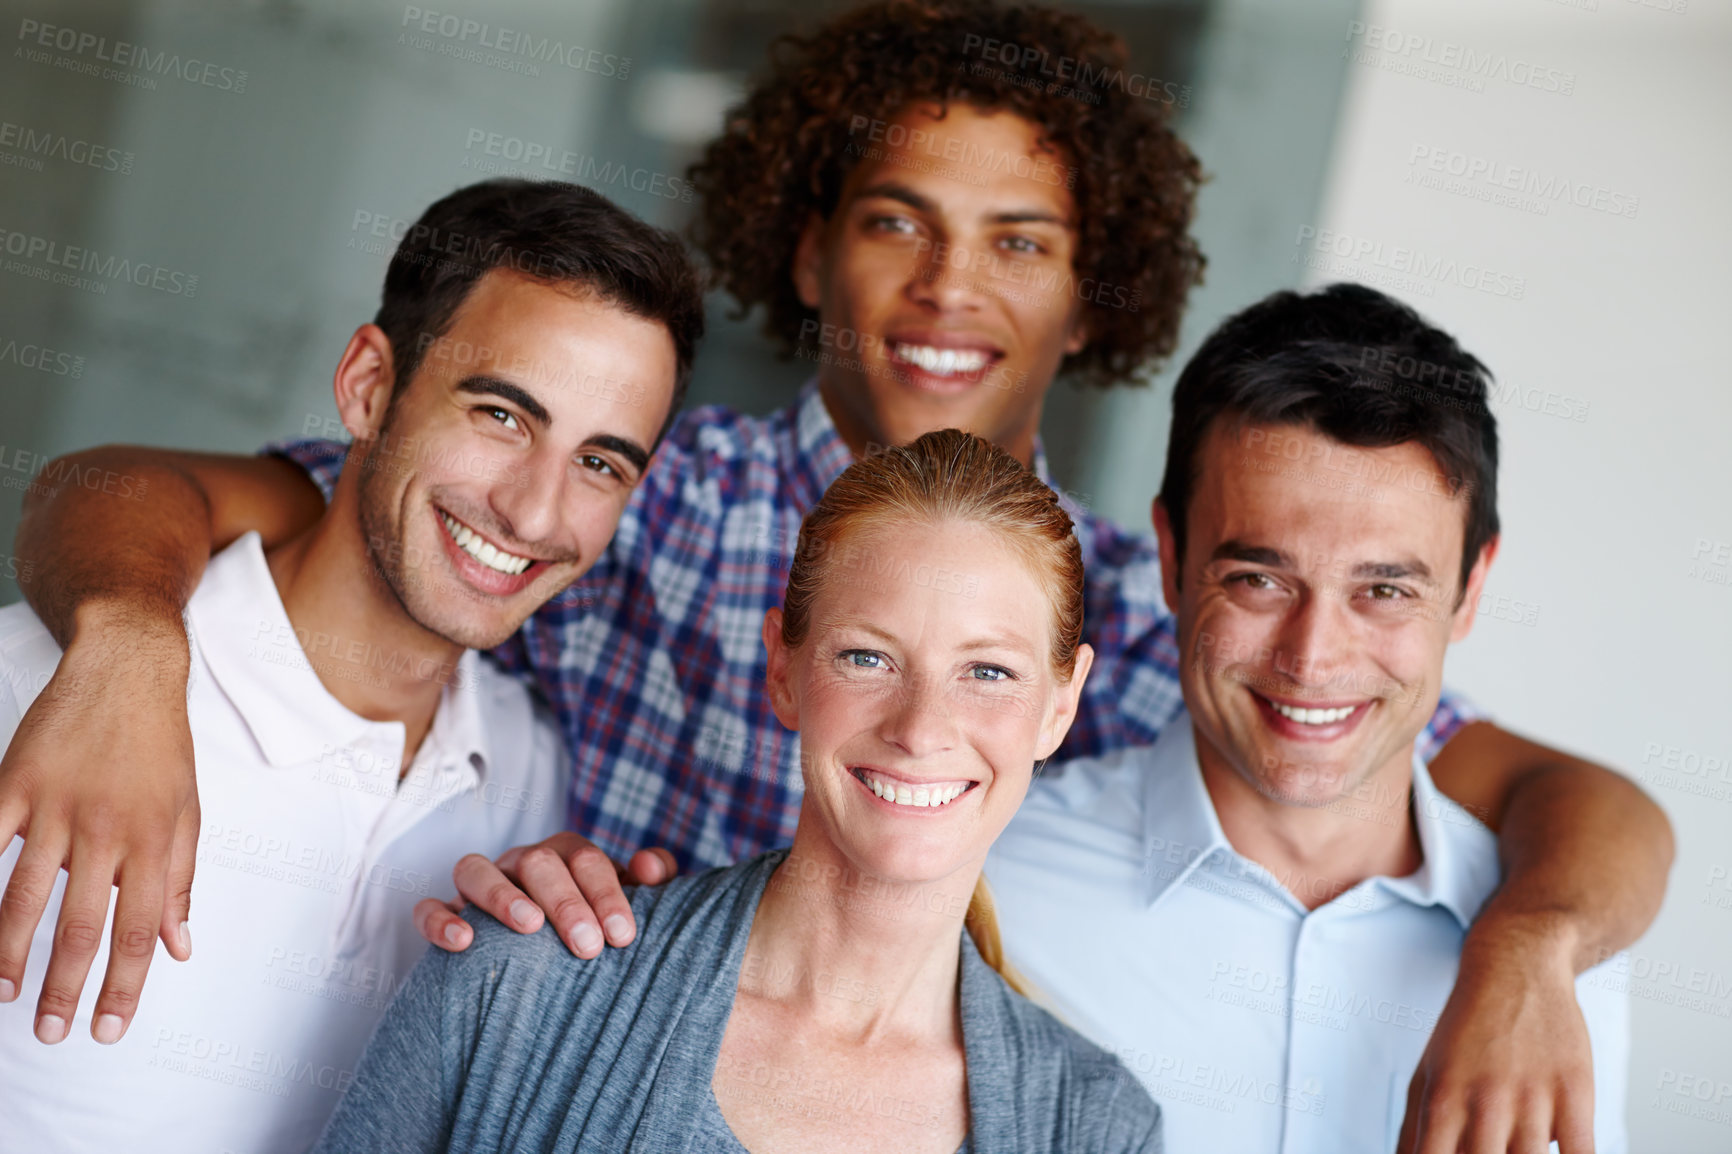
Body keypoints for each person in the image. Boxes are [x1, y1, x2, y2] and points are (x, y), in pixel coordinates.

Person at [1, 1, 1670, 1146]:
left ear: (1093, 298)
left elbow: (1573, 797)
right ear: (809, 251)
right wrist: (126, 640)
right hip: (560, 1066)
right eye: (895, 221)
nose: (951, 285)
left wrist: (1527, 943)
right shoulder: (625, 491)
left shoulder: (1149, 621)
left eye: (1019, 239)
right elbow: (137, 487)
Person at [0, 178, 703, 1152]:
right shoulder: (46, 690)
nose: (537, 514)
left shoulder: (536, 778)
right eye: (502, 414)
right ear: (370, 385)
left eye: (600, 463)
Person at [311, 429, 1161, 1154]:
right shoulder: (516, 985)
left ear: (1060, 706)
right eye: (867, 657)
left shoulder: (1099, 1127)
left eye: (988, 671)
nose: (921, 727)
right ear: (783, 671)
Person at [983, 284, 1629, 1152]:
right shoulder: (987, 889)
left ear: (1471, 589)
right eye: (1259, 579)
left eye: (1385, 590)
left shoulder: (1570, 966)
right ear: (1171, 557)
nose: (1312, 658)